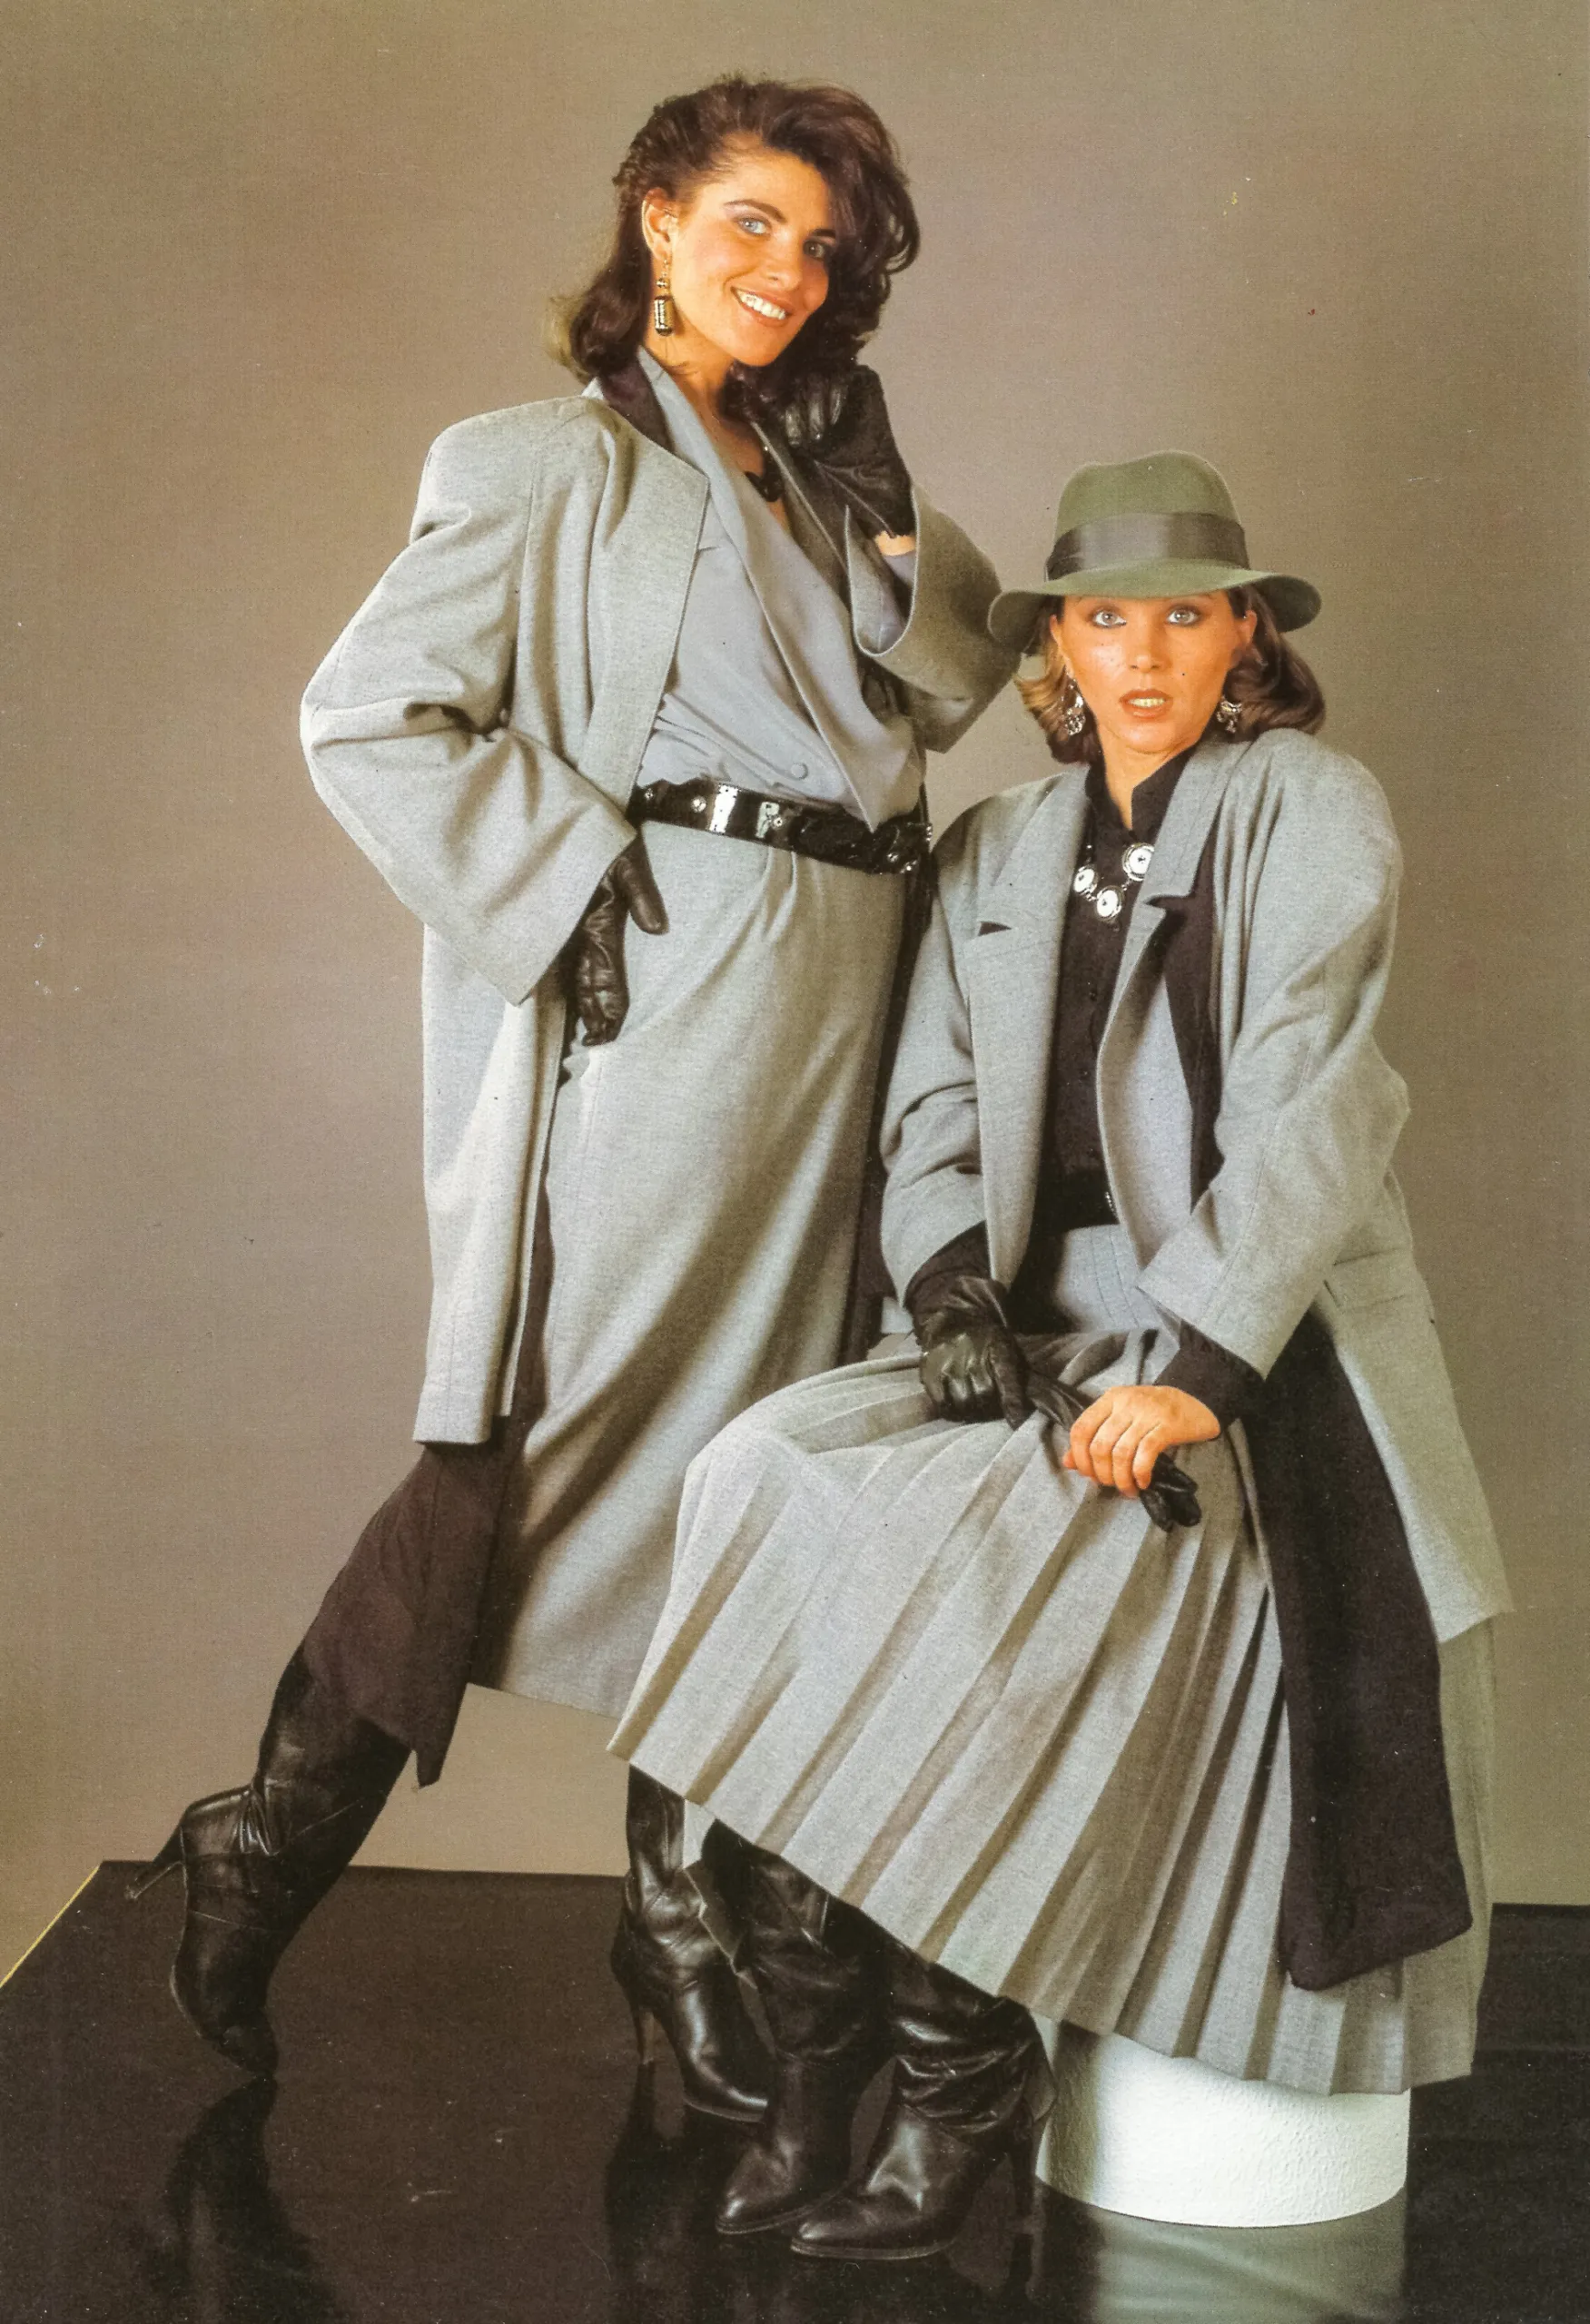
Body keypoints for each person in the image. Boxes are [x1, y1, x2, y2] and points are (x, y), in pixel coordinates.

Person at [131, 76, 1015, 2104]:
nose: (784, 272)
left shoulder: (815, 470)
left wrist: (879, 510)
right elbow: (370, 713)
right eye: (748, 222)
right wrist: (556, 877)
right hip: (684, 974)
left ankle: (674, 1914)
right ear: (653, 212)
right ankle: (269, 1833)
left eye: (821, 246)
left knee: (770, 1448)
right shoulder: (540, 459)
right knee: (562, 1435)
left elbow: (964, 685)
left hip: (859, 979)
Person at [613, 449, 1510, 2260]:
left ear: (1243, 634)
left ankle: (956, 2085)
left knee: (980, 1582)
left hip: (1259, 1324)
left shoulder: (1307, 807)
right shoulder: (998, 848)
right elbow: (933, 1101)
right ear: (1057, 648)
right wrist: (948, 1290)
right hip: (1031, 1316)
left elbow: (1313, 1107)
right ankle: (822, 2055)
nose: (1143, 652)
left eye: (1183, 616)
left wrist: (1197, 1371)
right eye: (1106, 618)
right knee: (755, 1476)